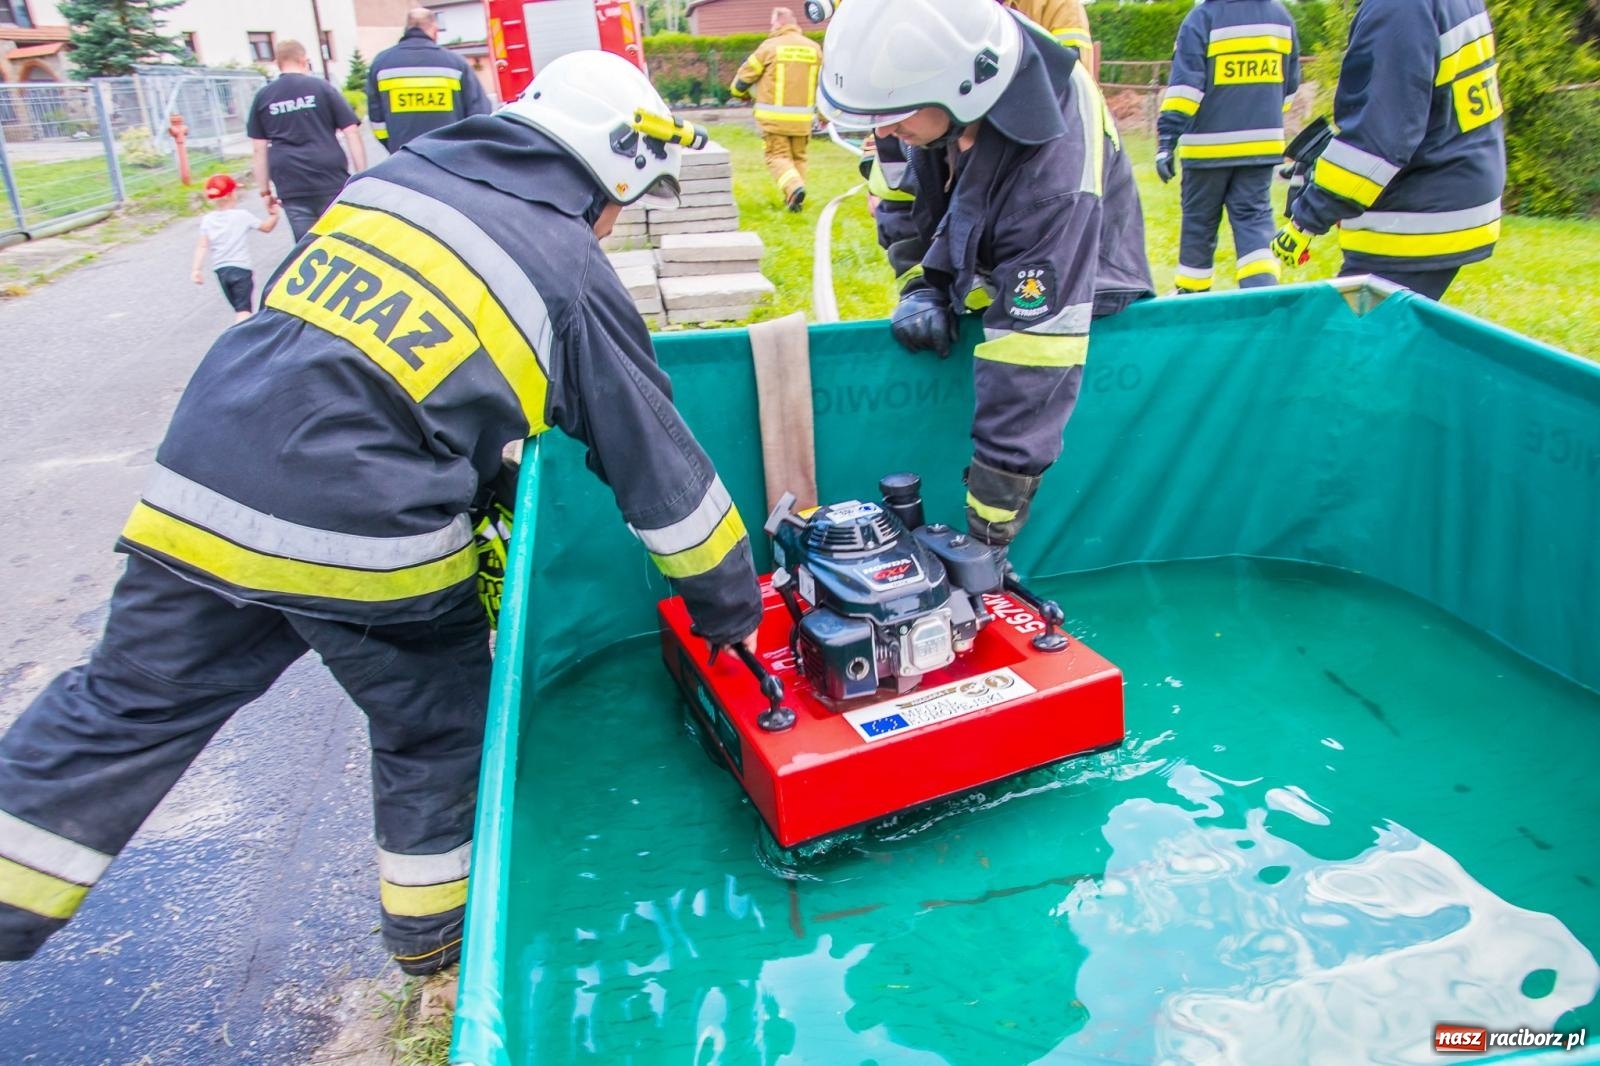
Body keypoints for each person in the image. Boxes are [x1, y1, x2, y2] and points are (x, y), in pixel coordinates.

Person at [0, 52, 764, 978]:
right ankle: (436, 940)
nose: (612, 228)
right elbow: (661, 471)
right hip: (358, 538)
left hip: (201, 489)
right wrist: (729, 607)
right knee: (434, 725)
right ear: (614, 170)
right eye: (625, 204)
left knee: (120, 708)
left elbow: (351, 355)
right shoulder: (563, 262)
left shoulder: (390, 185)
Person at [818, 0, 1153, 550]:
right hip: (993, 264)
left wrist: (988, 531)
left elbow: (1033, 361)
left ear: (960, 93)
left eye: (896, 120)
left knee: (1024, 373)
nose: (888, 131)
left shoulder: (1054, 173)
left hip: (1072, 292)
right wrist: (921, 281)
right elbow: (900, 195)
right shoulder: (903, 90)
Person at [1271, 0, 1506, 300]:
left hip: (1415, 216)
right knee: (1389, 336)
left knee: (1351, 340)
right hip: (1456, 191)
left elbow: (1377, 141)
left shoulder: (1397, 9)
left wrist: (1305, 222)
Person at [1156, 0, 1300, 293]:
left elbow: (1186, 89)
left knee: (1200, 224)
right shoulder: (1280, 17)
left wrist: (1167, 140)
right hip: (1261, 147)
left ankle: (1191, 297)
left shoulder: (1202, 18)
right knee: (1255, 221)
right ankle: (1262, 296)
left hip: (1207, 150)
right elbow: (1290, 87)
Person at [248, 39, 366, 241]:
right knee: (342, 240)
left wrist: (265, 191)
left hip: (290, 181)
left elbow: (259, 149)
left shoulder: (264, 96)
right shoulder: (322, 88)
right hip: (329, 175)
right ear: (304, 60)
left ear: (278, 63)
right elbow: (351, 132)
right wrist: (362, 177)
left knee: (307, 245)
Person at [730, 7, 823, 212]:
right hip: (803, 121)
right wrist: (824, 116)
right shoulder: (814, 49)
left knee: (777, 157)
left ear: (779, 23)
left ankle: (794, 188)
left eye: (772, 24)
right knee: (798, 158)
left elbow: (744, 78)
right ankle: (793, 198)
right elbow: (823, 87)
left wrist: (738, 92)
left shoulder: (769, 47)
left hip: (774, 121)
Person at [367, 6, 493, 154]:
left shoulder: (381, 64)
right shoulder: (455, 63)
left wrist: (394, 147)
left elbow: (377, 120)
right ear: (434, 30)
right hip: (450, 156)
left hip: (404, 156)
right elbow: (479, 113)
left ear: (407, 29)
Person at [190, 173, 280, 323]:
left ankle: (244, 332)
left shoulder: (207, 220)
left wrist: (196, 270)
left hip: (221, 271)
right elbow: (266, 227)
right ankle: (243, 340)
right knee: (243, 311)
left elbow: (202, 245)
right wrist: (274, 215)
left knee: (238, 308)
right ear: (231, 194)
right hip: (241, 269)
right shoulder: (241, 216)